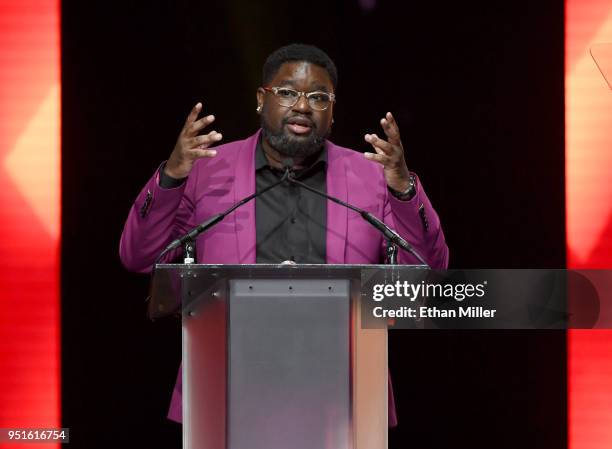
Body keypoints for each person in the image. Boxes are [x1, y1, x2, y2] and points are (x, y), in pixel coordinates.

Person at [120, 43, 449, 426]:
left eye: (319, 97)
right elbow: (139, 256)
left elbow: (430, 270)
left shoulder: (372, 177)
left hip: (342, 400)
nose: (303, 106)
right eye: (289, 92)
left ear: (332, 110)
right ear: (262, 99)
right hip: (225, 392)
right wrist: (171, 176)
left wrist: (404, 190)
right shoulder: (208, 171)